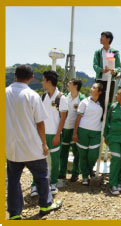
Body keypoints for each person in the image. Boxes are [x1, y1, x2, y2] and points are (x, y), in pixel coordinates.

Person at [6, 65, 62, 220]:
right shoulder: (32, 95)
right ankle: (45, 205)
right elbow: (40, 123)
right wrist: (44, 143)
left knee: (13, 181)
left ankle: (15, 213)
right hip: (32, 146)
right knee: (42, 176)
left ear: (15, 75)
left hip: (12, 147)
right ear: (31, 78)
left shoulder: (4, 93)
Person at [33, 70, 68, 196]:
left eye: (43, 80)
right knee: (38, 159)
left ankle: (53, 183)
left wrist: (58, 135)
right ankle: (35, 185)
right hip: (42, 134)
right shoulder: (43, 96)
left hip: (54, 134)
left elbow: (63, 118)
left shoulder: (61, 98)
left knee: (55, 160)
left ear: (49, 81)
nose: (42, 82)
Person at [72, 83, 104, 185]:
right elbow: (78, 118)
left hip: (96, 132)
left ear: (99, 92)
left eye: (94, 88)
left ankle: (89, 170)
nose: (91, 89)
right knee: (83, 155)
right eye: (92, 87)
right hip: (83, 131)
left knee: (93, 155)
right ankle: (85, 176)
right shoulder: (84, 102)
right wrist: (75, 132)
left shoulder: (103, 103)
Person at [58, 79, 86, 182]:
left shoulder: (82, 99)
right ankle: (62, 173)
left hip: (76, 129)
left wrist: (77, 131)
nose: (67, 84)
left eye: (69, 83)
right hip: (65, 128)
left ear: (75, 86)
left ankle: (75, 173)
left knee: (76, 152)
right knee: (63, 151)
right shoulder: (64, 97)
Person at [93, 31, 121, 103]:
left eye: (103, 36)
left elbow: (118, 66)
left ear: (108, 39)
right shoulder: (98, 52)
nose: (100, 38)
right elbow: (95, 65)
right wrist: (102, 70)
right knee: (98, 101)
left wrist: (115, 71)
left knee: (108, 101)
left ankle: (107, 114)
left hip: (110, 80)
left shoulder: (115, 52)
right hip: (100, 80)